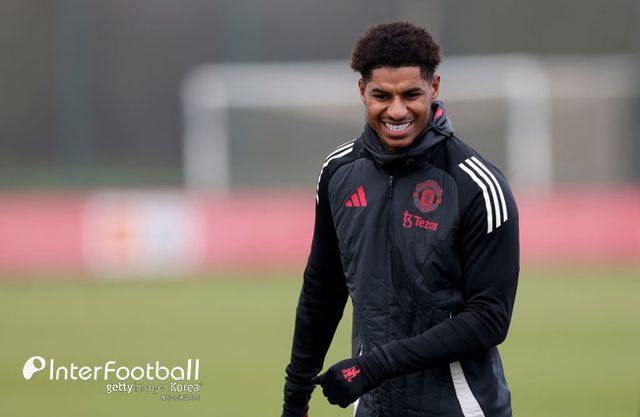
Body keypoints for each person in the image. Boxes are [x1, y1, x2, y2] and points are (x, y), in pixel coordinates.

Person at [281, 21, 519, 417]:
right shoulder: (338, 172)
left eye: (411, 95)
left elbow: (489, 318)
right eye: (381, 95)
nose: (396, 110)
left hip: (461, 409)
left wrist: (374, 366)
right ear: (362, 91)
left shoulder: (477, 185)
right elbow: (323, 289)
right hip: (373, 406)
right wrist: (295, 397)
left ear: (434, 88)